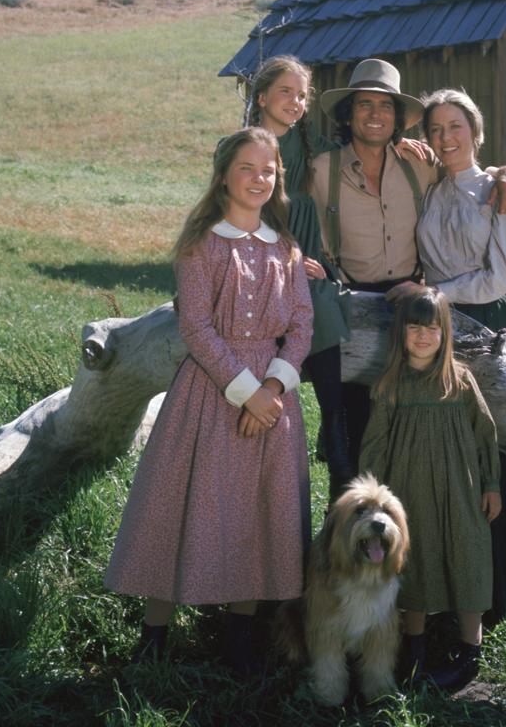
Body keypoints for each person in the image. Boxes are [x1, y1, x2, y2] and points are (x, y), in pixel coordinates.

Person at [105, 127, 313, 672]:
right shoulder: (201, 245)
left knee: (258, 512)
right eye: (247, 167)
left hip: (273, 403)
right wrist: (244, 394)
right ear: (224, 175)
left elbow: (302, 327)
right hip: (208, 395)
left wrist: (270, 391)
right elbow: (195, 327)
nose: (258, 179)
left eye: (268, 170)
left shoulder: (286, 250)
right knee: (180, 504)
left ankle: (239, 634)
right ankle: (155, 635)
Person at [310, 58, 506, 472]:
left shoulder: (419, 165)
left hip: (420, 305)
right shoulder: (322, 172)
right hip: (353, 300)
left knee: (426, 425)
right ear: (347, 113)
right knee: (353, 430)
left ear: (397, 119)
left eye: (385, 106)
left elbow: (470, 173)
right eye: (364, 105)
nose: (375, 115)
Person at [408, 88, 506, 625]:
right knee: (453, 455)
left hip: (489, 327)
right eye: (436, 129)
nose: (446, 137)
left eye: (456, 127)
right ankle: (452, 587)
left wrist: (435, 298)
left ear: (476, 133)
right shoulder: (428, 186)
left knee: (500, 451)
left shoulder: (500, 189)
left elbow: (502, 276)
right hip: (437, 329)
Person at [359, 288, 501, 692]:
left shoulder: (460, 381)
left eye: (433, 328)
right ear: (401, 332)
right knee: (413, 562)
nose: (423, 335)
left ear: (445, 333)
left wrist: (491, 484)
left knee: (467, 555)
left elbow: (485, 434)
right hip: (408, 492)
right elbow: (374, 445)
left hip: (461, 490)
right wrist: (374, 500)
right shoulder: (390, 384)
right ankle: (415, 649)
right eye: (415, 327)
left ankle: (470, 649)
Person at [247, 55, 354, 499]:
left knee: (323, 301)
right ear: (263, 97)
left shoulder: (313, 146)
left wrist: (409, 147)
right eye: (285, 92)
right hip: (253, 267)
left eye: (301, 94)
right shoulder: (240, 148)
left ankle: (336, 441)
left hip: (303, 268)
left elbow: (363, 156)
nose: (295, 102)